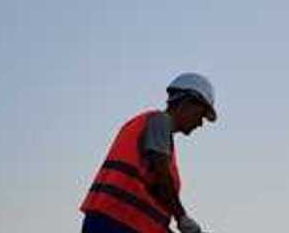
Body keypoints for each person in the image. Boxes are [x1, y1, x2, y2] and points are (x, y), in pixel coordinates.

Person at [79, 72, 218, 233]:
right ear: (186, 103)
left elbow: (153, 194)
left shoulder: (155, 131)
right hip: (118, 220)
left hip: (119, 220)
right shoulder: (160, 122)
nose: (200, 123)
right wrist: (182, 217)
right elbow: (161, 178)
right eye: (201, 114)